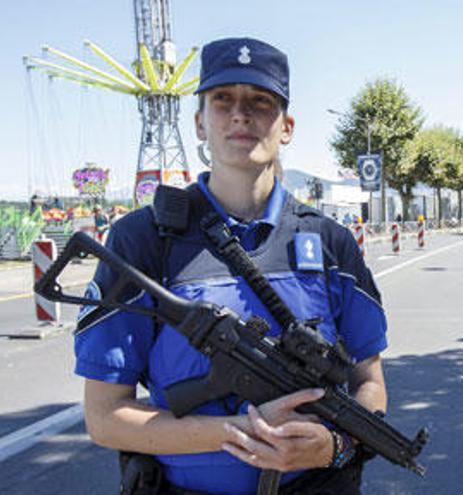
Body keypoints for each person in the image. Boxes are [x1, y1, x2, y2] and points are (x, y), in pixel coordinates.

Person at [74, 37, 388, 494]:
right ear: (200, 123)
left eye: (261, 102)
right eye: (223, 101)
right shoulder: (142, 240)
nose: (241, 114)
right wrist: (243, 431)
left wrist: (330, 447)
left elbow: (370, 385)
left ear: (287, 127)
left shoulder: (329, 242)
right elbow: (105, 418)